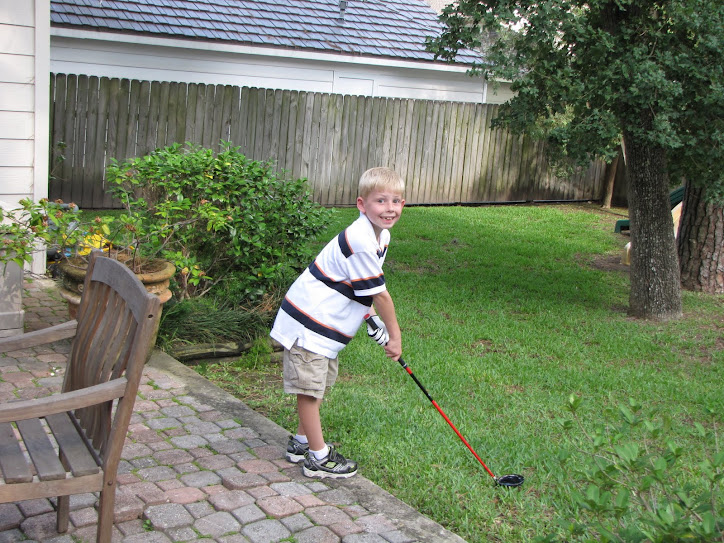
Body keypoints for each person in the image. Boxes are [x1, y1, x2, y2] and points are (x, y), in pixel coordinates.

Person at [270, 167, 405, 479]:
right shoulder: (360, 238)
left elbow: (358, 284)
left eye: (396, 201)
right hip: (307, 325)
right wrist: (395, 336)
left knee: (319, 386)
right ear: (362, 204)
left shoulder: (381, 235)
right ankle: (317, 457)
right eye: (381, 201)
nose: (389, 208)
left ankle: (301, 443)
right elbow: (381, 295)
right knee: (309, 390)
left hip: (325, 328)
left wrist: (369, 318)